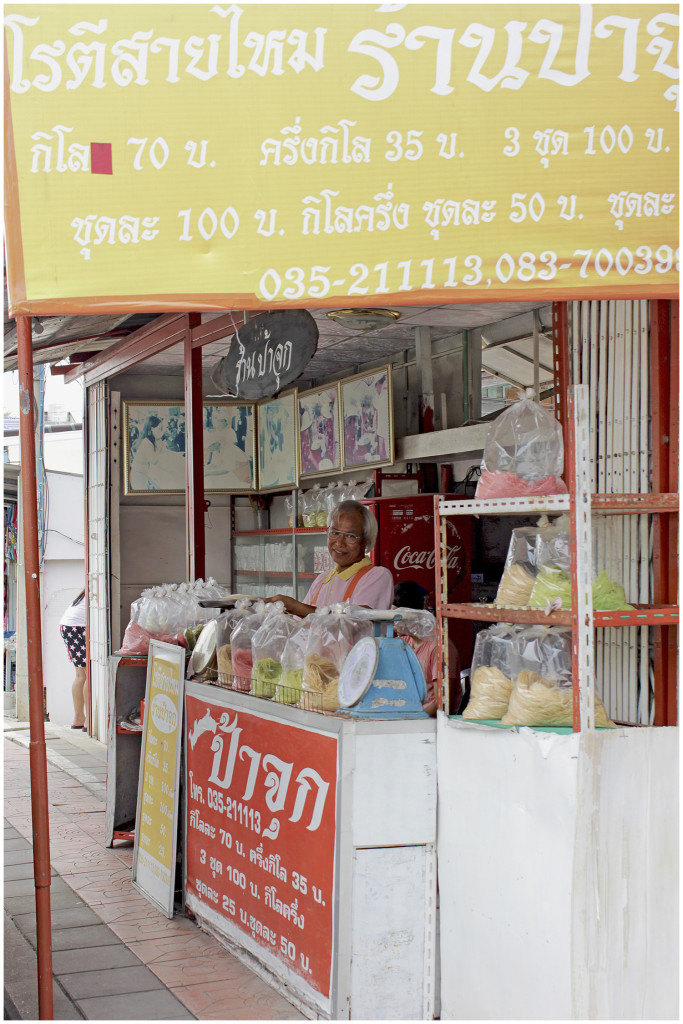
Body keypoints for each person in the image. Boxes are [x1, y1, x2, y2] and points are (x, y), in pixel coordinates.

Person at [266, 500, 393, 616]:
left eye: (350, 536)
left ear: (366, 540)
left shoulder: (377, 576)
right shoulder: (322, 580)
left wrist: (294, 606)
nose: (339, 543)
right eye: (335, 533)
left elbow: (354, 622)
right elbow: (301, 626)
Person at [393, 580, 461, 717]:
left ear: (411, 615)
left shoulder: (439, 647)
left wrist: (409, 719)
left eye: (396, 616)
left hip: (431, 725)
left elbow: (442, 703)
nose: (393, 622)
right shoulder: (402, 643)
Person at [59, 589, 88, 729]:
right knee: (88, 674)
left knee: (81, 675)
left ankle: (79, 718)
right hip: (78, 627)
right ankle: (87, 719)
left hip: (69, 626)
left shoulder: (87, 591)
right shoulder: (98, 586)